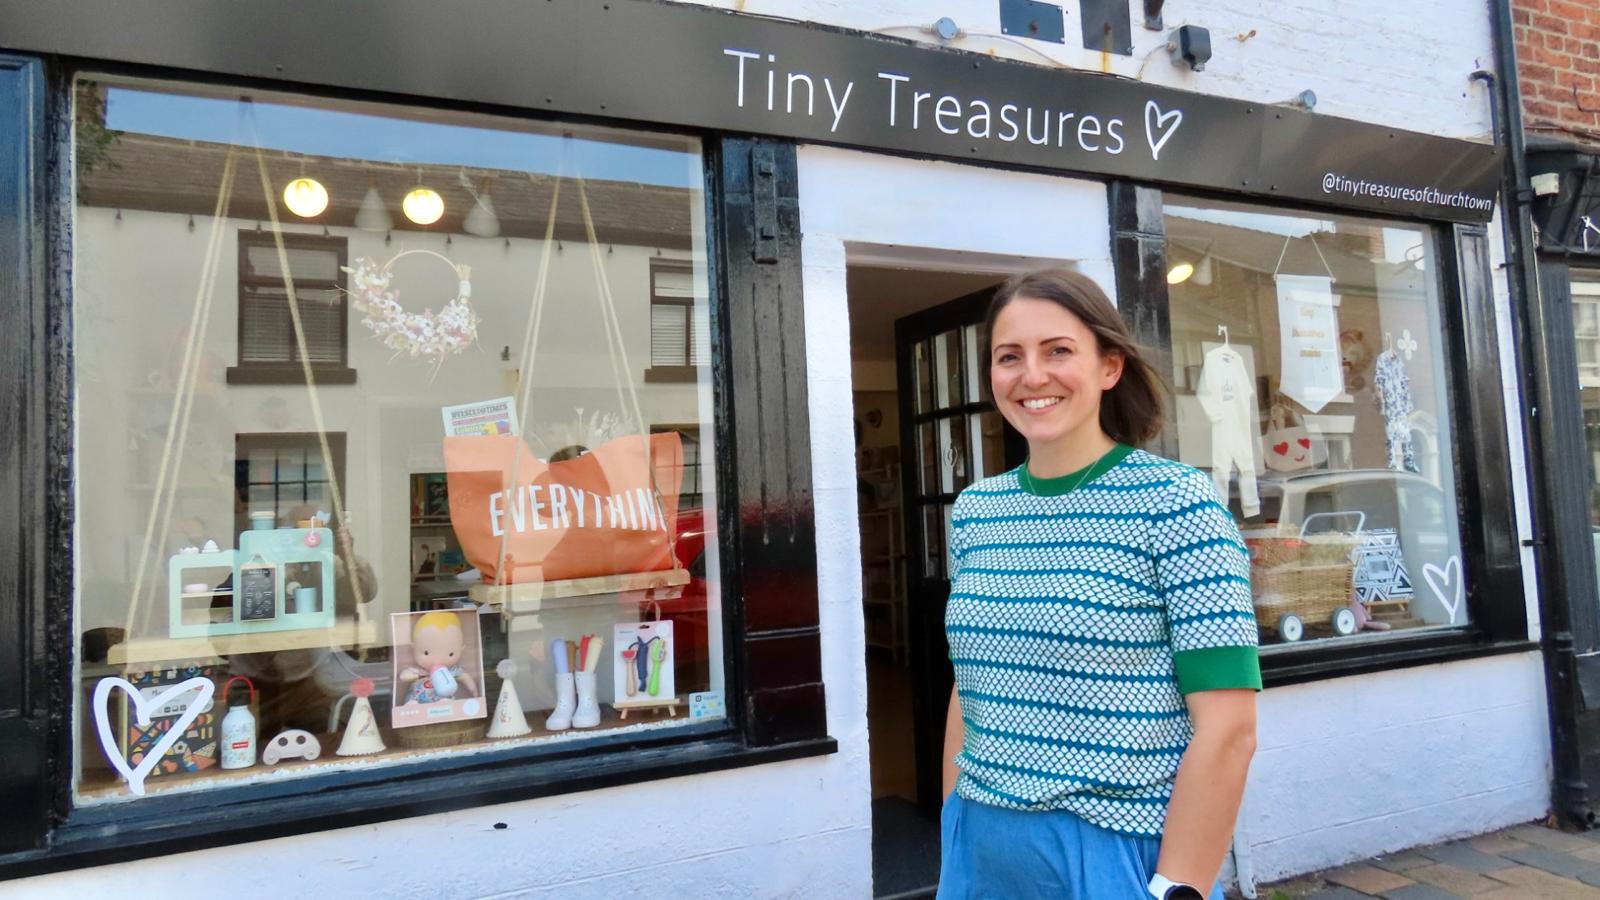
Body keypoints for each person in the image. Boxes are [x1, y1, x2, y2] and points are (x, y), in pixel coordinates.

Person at [939, 269, 1260, 900]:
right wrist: (953, 818)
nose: (1032, 375)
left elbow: (1230, 729)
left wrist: (1180, 886)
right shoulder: (977, 510)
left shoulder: (1177, 504)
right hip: (981, 849)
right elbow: (969, 683)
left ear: (1109, 367)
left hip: (1115, 857)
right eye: (1010, 357)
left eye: (1058, 351)